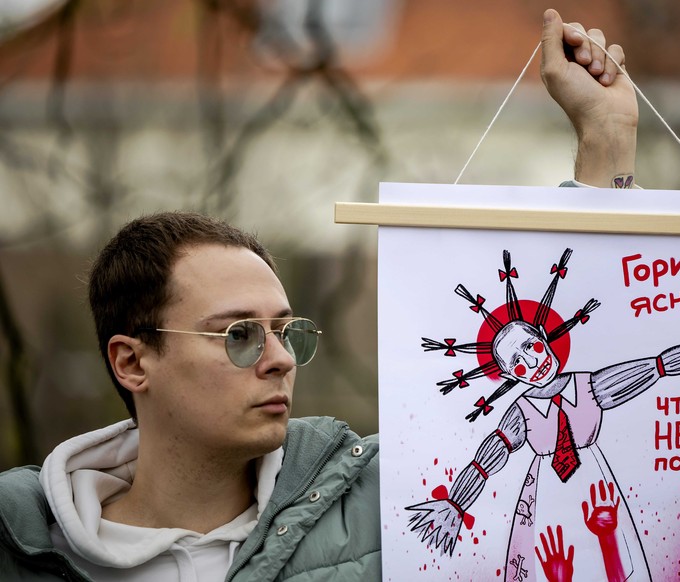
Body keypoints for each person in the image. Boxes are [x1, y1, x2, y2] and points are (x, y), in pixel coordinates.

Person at [0, 9, 638, 581]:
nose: (279, 359)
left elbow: (573, 421)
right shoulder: (23, 544)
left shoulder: (380, 507)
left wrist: (606, 140)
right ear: (133, 361)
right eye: (240, 335)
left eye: (286, 330)